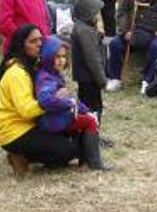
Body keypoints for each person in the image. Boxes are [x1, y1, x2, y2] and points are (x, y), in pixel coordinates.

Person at [0, 24, 104, 173]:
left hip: (34, 123)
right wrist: (54, 101)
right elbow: (26, 110)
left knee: (72, 135)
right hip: (16, 131)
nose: (39, 44)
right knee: (68, 151)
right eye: (33, 41)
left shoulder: (32, 67)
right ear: (22, 45)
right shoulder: (17, 73)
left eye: (40, 40)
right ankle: (20, 155)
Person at [33, 37, 105, 166]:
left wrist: (84, 109)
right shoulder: (46, 79)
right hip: (52, 121)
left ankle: (84, 158)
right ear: (48, 56)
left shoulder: (52, 74)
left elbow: (69, 98)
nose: (62, 60)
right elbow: (46, 100)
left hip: (55, 117)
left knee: (87, 116)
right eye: (57, 57)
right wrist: (70, 103)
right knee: (91, 121)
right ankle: (95, 163)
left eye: (64, 56)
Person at [69, 0, 107, 121]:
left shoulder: (82, 27)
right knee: (93, 110)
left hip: (84, 78)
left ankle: (89, 135)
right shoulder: (86, 31)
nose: (99, 16)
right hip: (90, 78)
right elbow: (93, 58)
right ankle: (92, 137)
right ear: (88, 13)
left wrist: (99, 34)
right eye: (97, 13)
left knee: (85, 108)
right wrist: (102, 80)